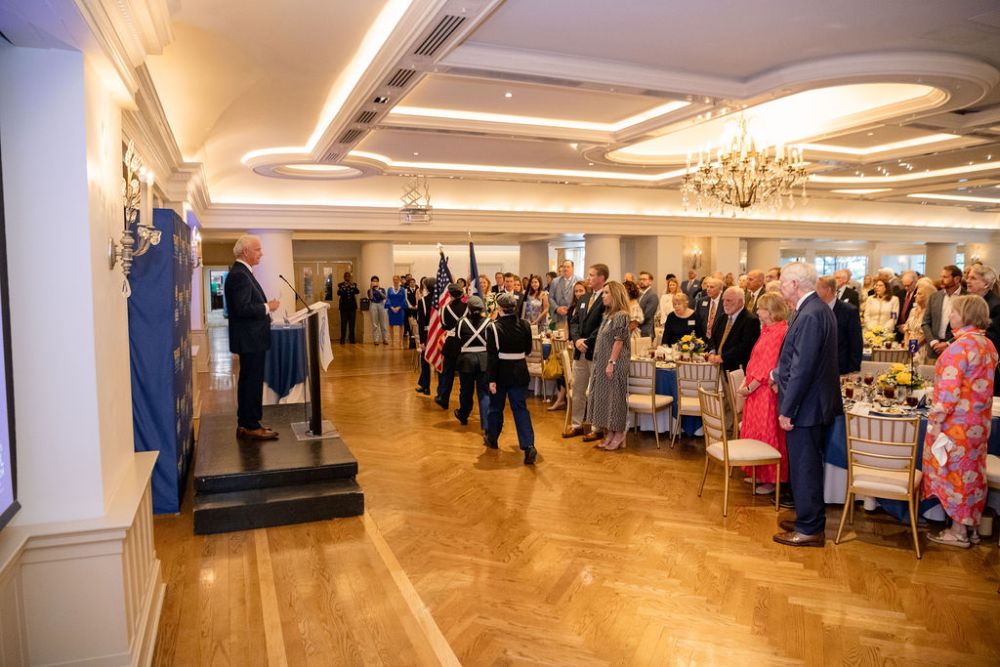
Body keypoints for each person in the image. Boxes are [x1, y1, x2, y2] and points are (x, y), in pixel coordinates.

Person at [772, 262, 841, 548]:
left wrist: (787, 409)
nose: (780, 288)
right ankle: (807, 517)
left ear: (794, 284)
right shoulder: (815, 309)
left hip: (807, 407)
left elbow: (803, 368)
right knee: (806, 465)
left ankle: (809, 528)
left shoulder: (811, 313)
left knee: (805, 467)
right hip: (813, 404)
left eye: (782, 283)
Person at [924, 295, 998, 548]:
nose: (950, 316)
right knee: (972, 474)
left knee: (956, 475)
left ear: (966, 315)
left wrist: (936, 421)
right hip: (978, 423)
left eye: (954, 312)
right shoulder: (987, 344)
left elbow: (948, 392)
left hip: (956, 425)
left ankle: (958, 532)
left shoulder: (960, 347)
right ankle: (970, 527)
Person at [224, 234, 280, 440]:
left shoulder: (242, 272)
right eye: (258, 249)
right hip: (250, 339)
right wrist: (267, 307)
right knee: (251, 383)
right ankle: (249, 425)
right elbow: (242, 308)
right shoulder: (240, 275)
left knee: (251, 381)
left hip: (252, 338)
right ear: (246, 251)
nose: (261, 253)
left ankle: (249, 422)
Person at [737, 292, 790, 496]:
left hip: (765, 392)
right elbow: (756, 359)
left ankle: (770, 479)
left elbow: (769, 365)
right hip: (756, 392)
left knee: (767, 434)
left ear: (771, 311)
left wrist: (749, 388)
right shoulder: (768, 330)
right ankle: (758, 472)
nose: (757, 312)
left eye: (760, 308)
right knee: (756, 433)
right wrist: (747, 381)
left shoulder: (779, 332)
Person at [486, 293, 537, 464]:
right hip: (520, 371)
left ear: (500, 309)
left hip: (500, 372)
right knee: (520, 409)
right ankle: (529, 445)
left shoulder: (493, 328)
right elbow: (528, 350)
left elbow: (492, 356)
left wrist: (491, 380)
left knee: (495, 407)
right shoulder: (525, 324)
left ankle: (492, 438)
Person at [564, 264, 607, 441]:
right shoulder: (584, 298)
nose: (588, 278)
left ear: (601, 278)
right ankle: (577, 425)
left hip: (594, 350)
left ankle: (597, 428)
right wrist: (576, 340)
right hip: (579, 351)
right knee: (578, 389)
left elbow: (603, 325)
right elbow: (574, 322)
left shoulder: (606, 298)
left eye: (592, 275)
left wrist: (587, 342)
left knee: (595, 391)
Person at [587, 281, 632, 451]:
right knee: (607, 399)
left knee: (616, 399)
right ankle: (610, 433)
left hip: (615, 363)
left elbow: (619, 342)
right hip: (604, 363)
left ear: (615, 295)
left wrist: (611, 363)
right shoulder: (608, 315)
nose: (603, 296)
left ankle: (619, 434)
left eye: (606, 293)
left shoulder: (622, 315)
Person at [454, 295, 491, 435]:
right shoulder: (489, 322)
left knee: (466, 390)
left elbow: (458, 340)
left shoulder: (461, 322)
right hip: (484, 360)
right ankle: (486, 425)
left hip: (467, 360)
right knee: (484, 392)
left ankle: (463, 414)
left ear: (468, 308)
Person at [550, 280, 588, 412]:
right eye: (576, 291)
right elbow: (568, 324)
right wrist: (567, 339)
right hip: (571, 344)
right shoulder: (572, 307)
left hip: (581, 344)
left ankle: (562, 400)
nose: (578, 293)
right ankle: (562, 399)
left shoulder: (588, 306)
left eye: (581, 290)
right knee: (563, 372)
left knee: (569, 373)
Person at [962, 264, 1000, 395]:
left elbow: (995, 337)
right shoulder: (971, 302)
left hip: (986, 364)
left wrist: (977, 333)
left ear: (986, 284)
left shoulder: (995, 305)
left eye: (973, 278)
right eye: (968, 277)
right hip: (970, 360)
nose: (967, 281)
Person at [817, 275, 863, 376]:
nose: (815, 292)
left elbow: (856, 342)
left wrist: (854, 368)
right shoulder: (814, 309)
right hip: (817, 367)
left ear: (828, 290)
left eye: (818, 288)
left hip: (840, 367)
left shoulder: (849, 310)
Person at [706, 287, 759, 372]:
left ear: (740, 302)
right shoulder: (722, 317)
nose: (724, 304)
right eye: (723, 300)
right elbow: (713, 337)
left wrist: (722, 358)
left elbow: (745, 346)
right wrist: (712, 352)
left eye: (728, 300)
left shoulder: (751, 320)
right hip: (718, 368)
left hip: (737, 369)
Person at [434, 284, 468, 410]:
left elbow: (444, 325)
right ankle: (464, 404)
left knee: (448, 373)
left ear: (449, 294)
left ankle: (444, 399)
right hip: (464, 342)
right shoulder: (467, 307)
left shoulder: (444, 309)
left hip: (451, 343)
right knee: (464, 375)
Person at [922, 264, 965, 360]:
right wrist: (933, 342)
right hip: (934, 349)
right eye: (941, 276)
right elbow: (925, 323)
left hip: (957, 349)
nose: (941, 279)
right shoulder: (934, 297)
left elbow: (967, 326)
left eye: (945, 277)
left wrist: (948, 343)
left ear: (957, 279)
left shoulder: (967, 297)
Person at [903, 279, 936, 364]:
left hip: (923, 348)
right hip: (910, 347)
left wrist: (915, 345)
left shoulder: (931, 312)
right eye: (916, 293)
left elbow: (927, 333)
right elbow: (907, 329)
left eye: (919, 294)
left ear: (927, 296)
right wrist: (907, 343)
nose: (915, 296)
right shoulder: (913, 310)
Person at [415, 277, 434, 395]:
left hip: (427, 334)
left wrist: (422, 341)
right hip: (439, 335)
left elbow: (421, 322)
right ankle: (441, 392)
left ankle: (426, 386)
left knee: (425, 360)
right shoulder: (441, 300)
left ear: (426, 287)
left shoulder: (422, 301)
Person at [549, 260, 579, 332]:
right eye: (564, 267)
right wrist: (557, 308)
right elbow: (550, 297)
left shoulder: (579, 280)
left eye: (568, 267)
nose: (565, 269)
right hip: (560, 317)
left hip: (574, 317)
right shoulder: (555, 281)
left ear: (573, 268)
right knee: (559, 337)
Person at [894, 270, 919, 341]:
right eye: (904, 285)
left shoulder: (919, 294)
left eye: (908, 285)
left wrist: (906, 327)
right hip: (899, 330)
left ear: (915, 281)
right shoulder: (899, 294)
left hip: (911, 331)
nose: (906, 288)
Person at [337, 271, 360, 344]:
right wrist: (344, 287)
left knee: (352, 324)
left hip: (352, 308)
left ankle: (352, 339)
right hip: (343, 308)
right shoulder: (340, 285)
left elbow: (357, 291)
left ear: (350, 277)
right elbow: (338, 293)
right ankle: (342, 339)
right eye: (346, 276)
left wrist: (352, 286)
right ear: (344, 277)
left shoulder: (354, 284)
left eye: (348, 276)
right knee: (343, 324)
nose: (347, 277)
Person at [385, 275, 407, 348]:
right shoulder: (390, 289)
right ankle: (392, 341)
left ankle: (401, 341)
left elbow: (404, 299)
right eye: (394, 279)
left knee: (401, 325)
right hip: (391, 309)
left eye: (397, 279)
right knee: (391, 325)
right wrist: (391, 307)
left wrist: (399, 307)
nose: (395, 281)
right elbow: (388, 299)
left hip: (400, 309)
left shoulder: (402, 289)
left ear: (399, 280)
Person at [637, 271, 659, 340]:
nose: (641, 281)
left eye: (644, 279)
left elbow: (647, 315)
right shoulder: (639, 295)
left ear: (650, 282)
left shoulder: (652, 295)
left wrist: (634, 323)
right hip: (638, 330)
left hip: (646, 331)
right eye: (640, 279)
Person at [367, 276, 388, 345]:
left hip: (381, 304)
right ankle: (376, 340)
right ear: (371, 282)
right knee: (375, 323)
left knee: (383, 323)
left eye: (376, 281)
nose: (375, 282)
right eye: (373, 281)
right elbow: (371, 297)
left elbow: (384, 297)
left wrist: (379, 290)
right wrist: (371, 288)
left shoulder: (382, 289)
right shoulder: (369, 290)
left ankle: (385, 339)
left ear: (378, 282)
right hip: (373, 304)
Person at [404, 277, 419, 349]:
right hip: (409, 310)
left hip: (417, 309)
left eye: (413, 282)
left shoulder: (418, 289)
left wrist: (416, 306)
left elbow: (419, 299)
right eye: (411, 282)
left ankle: (417, 342)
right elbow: (406, 299)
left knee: (416, 325)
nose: (412, 283)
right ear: (409, 283)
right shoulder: (406, 290)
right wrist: (410, 306)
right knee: (411, 326)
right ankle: (412, 343)